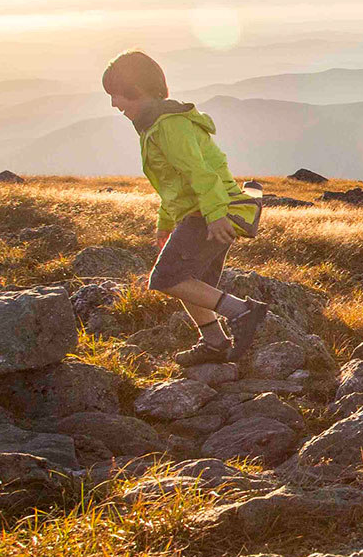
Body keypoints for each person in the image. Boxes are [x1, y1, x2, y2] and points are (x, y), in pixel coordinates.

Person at [103, 50, 268, 366]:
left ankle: (243, 312)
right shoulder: (153, 125)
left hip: (208, 214)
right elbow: (173, 183)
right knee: (193, 285)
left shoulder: (169, 126)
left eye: (117, 94)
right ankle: (215, 343)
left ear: (138, 88)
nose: (114, 104)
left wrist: (215, 215)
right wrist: (165, 223)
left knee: (167, 279)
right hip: (200, 213)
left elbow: (198, 173)